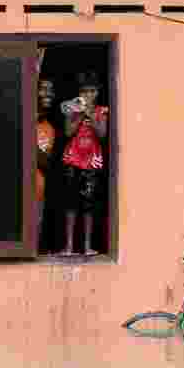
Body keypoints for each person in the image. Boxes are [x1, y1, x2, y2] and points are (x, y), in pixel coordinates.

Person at [60, 72, 108, 256]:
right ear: (79, 93)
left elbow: (102, 134)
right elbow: (68, 132)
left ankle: (87, 246)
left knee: (89, 205)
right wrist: (79, 114)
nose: (89, 95)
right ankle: (69, 246)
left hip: (92, 162)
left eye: (92, 91)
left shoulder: (102, 111)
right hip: (73, 160)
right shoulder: (72, 109)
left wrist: (90, 114)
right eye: (85, 91)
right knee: (70, 204)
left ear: (97, 92)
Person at [36, 79, 56, 248]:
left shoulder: (49, 128)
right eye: (43, 89)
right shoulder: (17, 120)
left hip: (37, 196)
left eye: (51, 90)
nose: (48, 93)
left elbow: (46, 163)